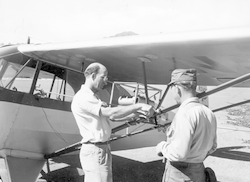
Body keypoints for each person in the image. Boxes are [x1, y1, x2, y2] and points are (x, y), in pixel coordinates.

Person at [71, 62, 154, 182]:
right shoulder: (83, 97)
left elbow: (111, 118)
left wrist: (133, 116)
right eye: (103, 76)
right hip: (96, 149)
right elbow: (111, 113)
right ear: (93, 76)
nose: (106, 80)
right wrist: (138, 106)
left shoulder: (92, 97)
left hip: (101, 149)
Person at [156, 69, 217, 182]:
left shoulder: (185, 114)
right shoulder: (209, 113)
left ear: (177, 88)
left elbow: (179, 154)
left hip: (180, 175)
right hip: (199, 172)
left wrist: (162, 147)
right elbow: (213, 147)